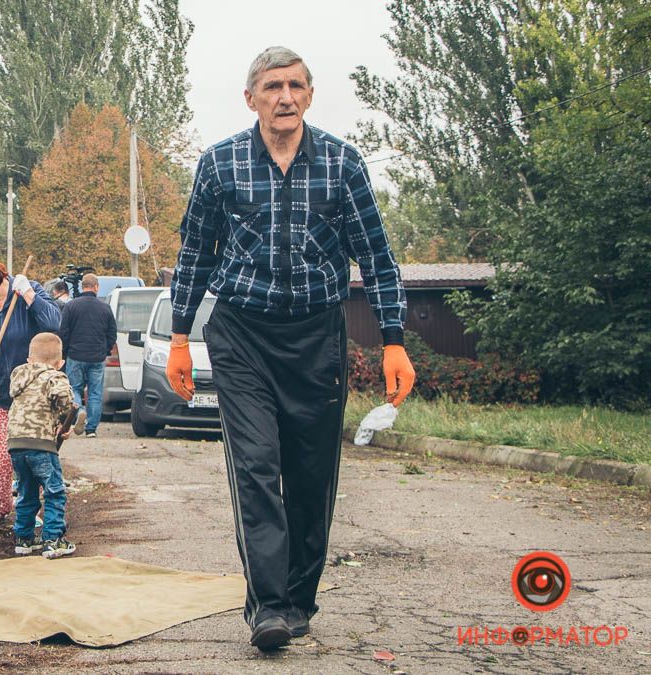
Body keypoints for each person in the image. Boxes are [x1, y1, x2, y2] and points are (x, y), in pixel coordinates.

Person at [169, 47, 416, 651]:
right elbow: (195, 255)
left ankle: (300, 598)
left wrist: (393, 341)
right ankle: (269, 607)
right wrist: (179, 336)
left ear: (309, 95)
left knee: (311, 473)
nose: (285, 96)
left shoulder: (341, 163)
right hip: (242, 335)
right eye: (273, 86)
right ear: (250, 98)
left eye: (296, 86)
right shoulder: (220, 164)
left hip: (316, 337)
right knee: (254, 467)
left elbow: (377, 259)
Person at [0, 254, 61, 529]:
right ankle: (0, 506)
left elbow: (53, 325)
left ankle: (31, 508)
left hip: (32, 398)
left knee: (32, 455)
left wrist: (30, 294)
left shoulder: (26, 292)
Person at [8, 332, 83, 559]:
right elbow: (66, 402)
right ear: (60, 363)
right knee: (54, 491)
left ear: (30, 359)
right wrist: (65, 422)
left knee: (26, 490)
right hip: (40, 443)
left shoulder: (19, 375)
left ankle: (24, 538)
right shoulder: (55, 377)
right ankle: (52, 539)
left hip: (15, 443)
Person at [57, 273, 117, 437]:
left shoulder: (71, 306)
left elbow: (64, 332)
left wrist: (65, 352)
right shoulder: (105, 308)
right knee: (95, 393)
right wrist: (105, 350)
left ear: (83, 286)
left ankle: (79, 410)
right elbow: (112, 333)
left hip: (75, 356)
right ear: (96, 287)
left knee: (74, 389)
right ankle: (91, 429)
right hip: (97, 357)